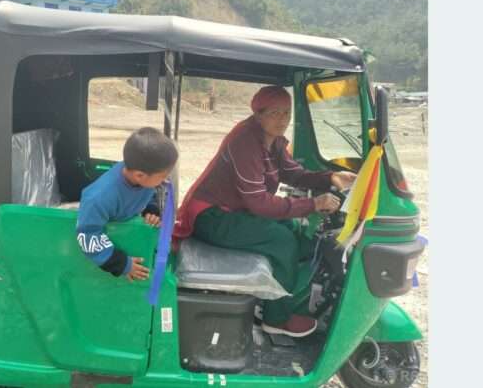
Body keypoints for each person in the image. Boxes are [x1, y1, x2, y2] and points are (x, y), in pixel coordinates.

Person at [174, 86, 356, 338]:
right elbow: (258, 203)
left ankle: (275, 297)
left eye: (287, 113)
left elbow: (293, 174)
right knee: (281, 240)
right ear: (258, 114)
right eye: (274, 113)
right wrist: (313, 204)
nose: (282, 119)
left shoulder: (273, 140)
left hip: (234, 211)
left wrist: (331, 177)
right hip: (211, 216)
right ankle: (276, 319)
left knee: (294, 230)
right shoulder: (245, 141)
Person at [76, 127, 179, 281]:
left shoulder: (142, 177)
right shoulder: (99, 198)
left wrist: (151, 211)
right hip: (109, 257)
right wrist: (123, 265)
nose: (165, 180)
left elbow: (149, 193)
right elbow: (88, 236)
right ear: (139, 175)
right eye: (163, 176)